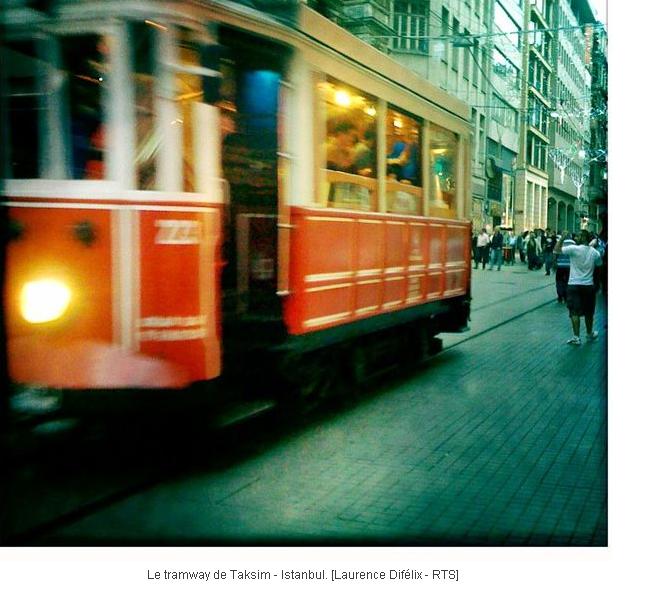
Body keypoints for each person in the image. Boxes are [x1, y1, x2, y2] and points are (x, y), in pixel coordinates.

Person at [554, 230, 603, 345]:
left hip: (573, 285)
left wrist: (562, 238)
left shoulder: (573, 249)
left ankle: (576, 337)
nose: (576, 238)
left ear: (582, 238)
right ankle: (589, 334)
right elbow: (599, 265)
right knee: (589, 311)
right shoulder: (594, 252)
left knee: (574, 312)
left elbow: (556, 250)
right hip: (588, 286)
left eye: (579, 236)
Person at [555, 236, 575, 303]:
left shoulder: (560, 242)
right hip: (569, 266)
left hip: (560, 265)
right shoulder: (573, 243)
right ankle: (566, 296)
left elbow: (555, 252)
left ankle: (560, 296)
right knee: (568, 282)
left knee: (559, 281)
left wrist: (555, 262)